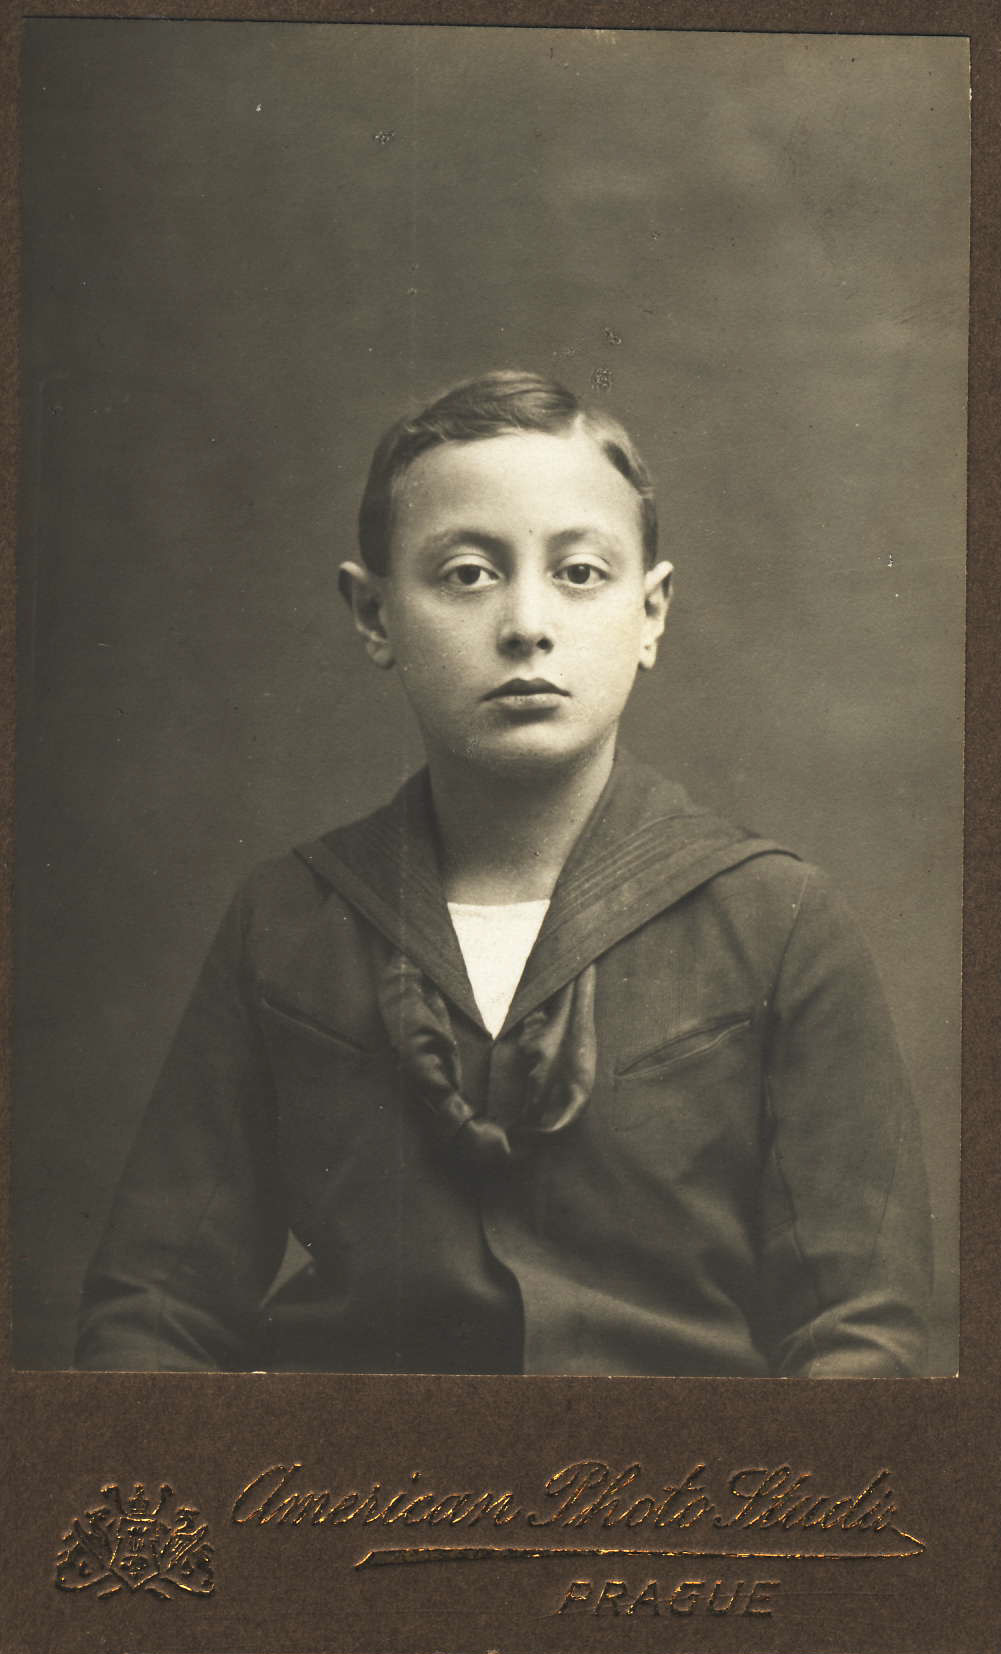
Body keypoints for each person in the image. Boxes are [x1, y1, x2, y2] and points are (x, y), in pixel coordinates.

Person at [76, 370, 932, 1376]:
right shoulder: (290, 918)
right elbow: (154, 1315)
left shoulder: (773, 919)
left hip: (664, 1474)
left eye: (580, 572)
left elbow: (860, 1336)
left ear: (650, 611)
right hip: (354, 1472)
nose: (526, 622)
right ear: (374, 614)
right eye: (468, 573)